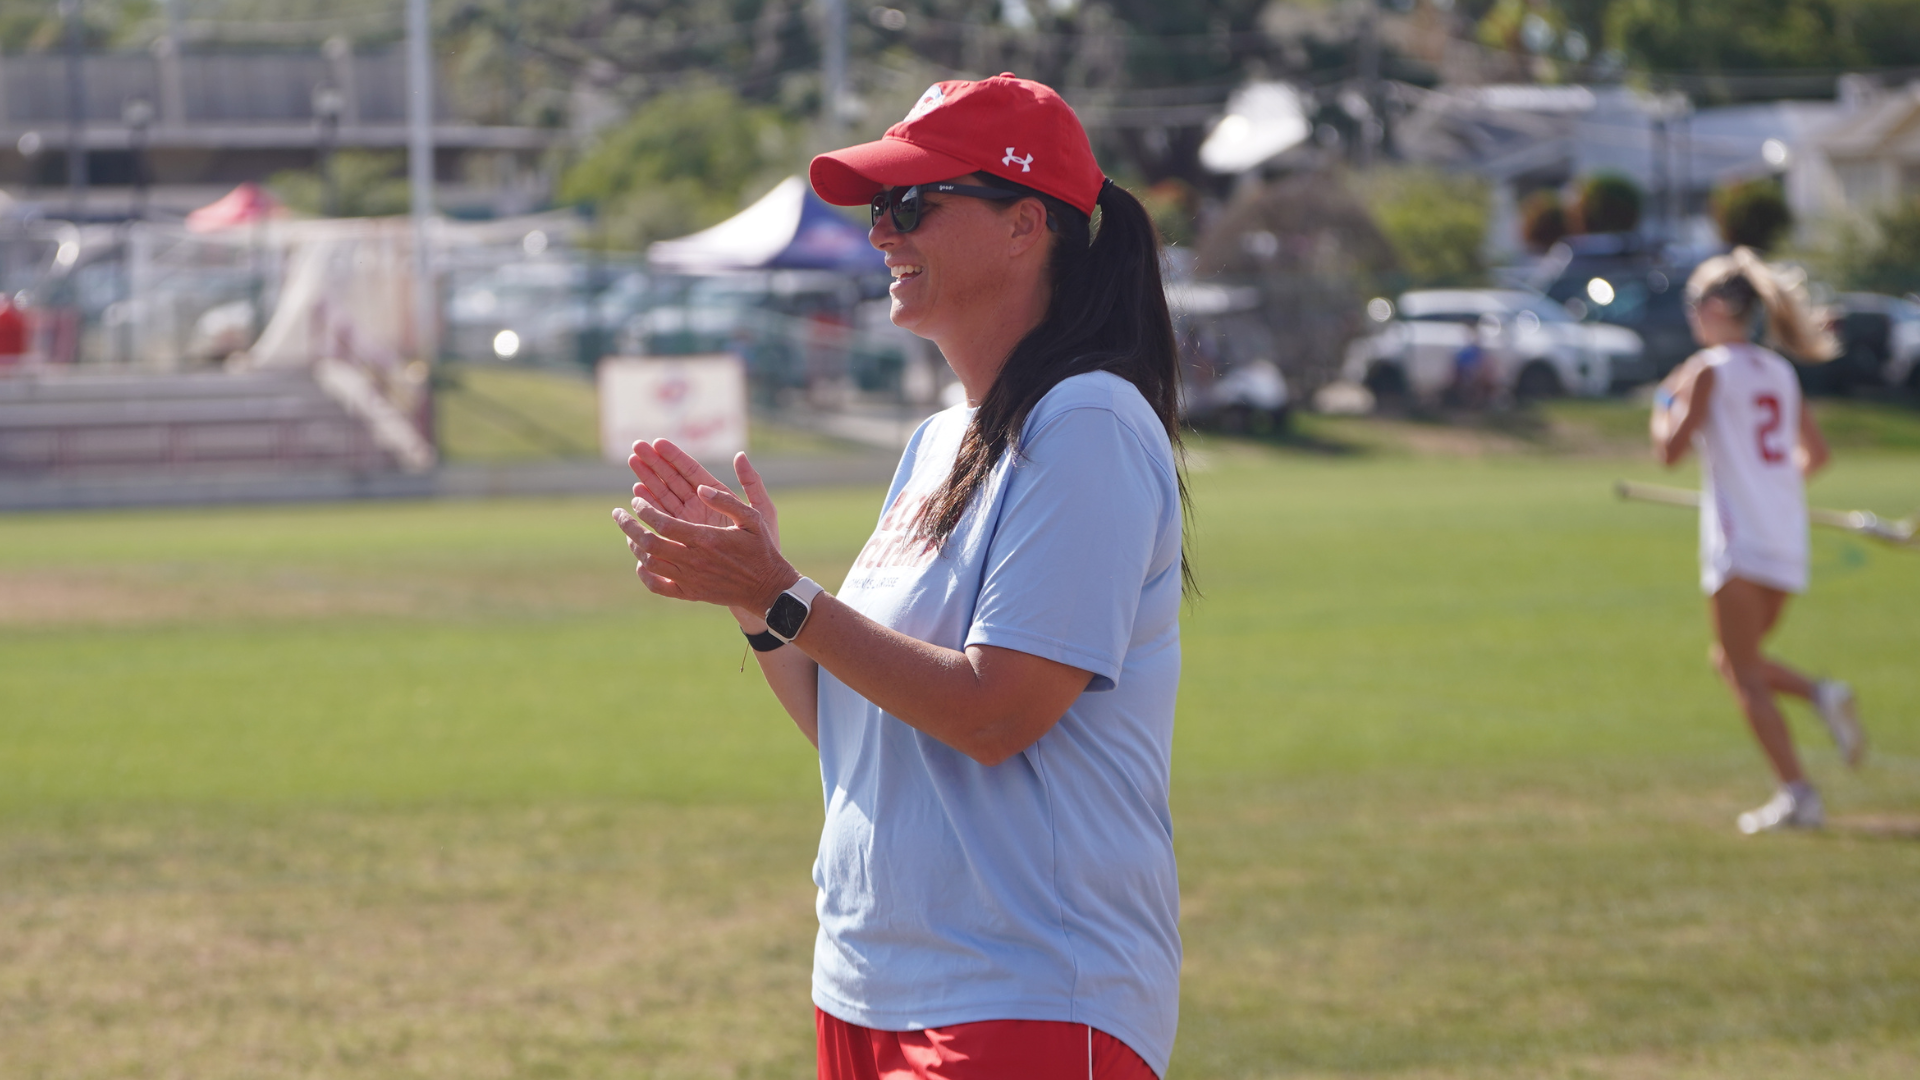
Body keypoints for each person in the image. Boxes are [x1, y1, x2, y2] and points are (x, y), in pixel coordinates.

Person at [612, 74, 1188, 1078]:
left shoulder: (1087, 422)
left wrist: (791, 593)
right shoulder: (937, 442)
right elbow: (863, 728)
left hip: (1028, 993)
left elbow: (993, 715)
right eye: (880, 208)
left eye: (910, 205)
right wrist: (752, 593)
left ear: (1025, 226)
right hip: (868, 984)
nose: (881, 233)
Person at [1650, 247, 1865, 835]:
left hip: (1738, 541)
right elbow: (1814, 456)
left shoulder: (1707, 369)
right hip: (1784, 536)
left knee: (1742, 672)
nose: (1691, 316)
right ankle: (1822, 696)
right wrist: (1771, 488)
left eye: (1694, 304)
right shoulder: (1778, 370)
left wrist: (1662, 403)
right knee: (1734, 661)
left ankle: (1799, 794)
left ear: (1717, 307)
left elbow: (1667, 451)